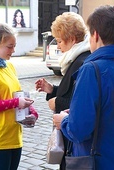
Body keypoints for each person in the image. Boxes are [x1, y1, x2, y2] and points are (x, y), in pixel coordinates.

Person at [53, 5, 114, 170]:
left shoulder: (91, 70)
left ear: (95, 35)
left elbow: (79, 130)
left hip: (98, 161)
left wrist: (64, 121)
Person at [35, 12, 90, 169]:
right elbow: (72, 91)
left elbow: (80, 102)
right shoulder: (77, 57)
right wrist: (52, 89)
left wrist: (57, 102)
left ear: (72, 39)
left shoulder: (81, 61)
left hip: (74, 137)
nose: (58, 46)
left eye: (59, 41)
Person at [0, 23, 38, 170]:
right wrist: (16, 102)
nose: (13, 50)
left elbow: (18, 94)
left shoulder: (9, 66)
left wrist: (32, 112)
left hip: (14, 137)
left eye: (14, 46)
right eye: (9, 46)